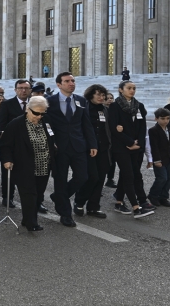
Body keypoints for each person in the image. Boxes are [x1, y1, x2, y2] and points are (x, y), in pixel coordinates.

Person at [46, 72, 97, 227]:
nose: (71, 83)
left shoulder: (81, 100)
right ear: (59, 84)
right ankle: (65, 214)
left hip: (78, 145)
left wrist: (92, 144)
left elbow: (86, 124)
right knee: (60, 180)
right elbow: (47, 125)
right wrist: (51, 143)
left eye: (73, 81)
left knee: (82, 177)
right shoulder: (49, 101)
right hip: (59, 147)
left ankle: (60, 197)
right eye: (67, 81)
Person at [0, 96, 56, 231]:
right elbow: (5, 145)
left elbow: (52, 136)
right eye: (36, 113)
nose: (40, 116)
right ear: (27, 109)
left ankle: (27, 219)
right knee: (29, 195)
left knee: (39, 195)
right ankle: (32, 223)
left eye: (43, 113)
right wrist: (7, 160)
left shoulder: (46, 121)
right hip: (24, 166)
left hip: (43, 165)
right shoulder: (16, 124)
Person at [108, 80, 154, 218]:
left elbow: (142, 127)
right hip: (121, 146)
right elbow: (113, 128)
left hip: (136, 147)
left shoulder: (139, 106)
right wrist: (129, 142)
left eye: (134, 88)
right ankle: (136, 208)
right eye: (129, 88)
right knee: (128, 174)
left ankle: (119, 202)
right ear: (121, 89)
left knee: (127, 174)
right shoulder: (115, 106)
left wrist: (138, 143)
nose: (132, 90)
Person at [73, 85, 111, 218]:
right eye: (98, 95)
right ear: (90, 95)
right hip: (88, 149)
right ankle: (79, 201)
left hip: (104, 149)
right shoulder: (84, 109)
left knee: (100, 179)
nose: (102, 97)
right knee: (91, 177)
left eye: (103, 95)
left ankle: (94, 207)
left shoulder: (105, 110)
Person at [0, 79, 32, 208]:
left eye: (26, 88)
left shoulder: (34, 104)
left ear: (30, 90)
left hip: (30, 145)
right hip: (12, 145)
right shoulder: (7, 104)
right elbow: (2, 126)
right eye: (20, 88)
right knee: (8, 173)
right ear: (15, 90)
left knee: (29, 174)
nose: (23, 90)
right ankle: (7, 197)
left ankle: (34, 201)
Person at [147, 108, 170, 207]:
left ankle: (163, 197)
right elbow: (154, 147)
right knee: (162, 178)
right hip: (160, 159)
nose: (165, 121)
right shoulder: (153, 131)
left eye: (167, 118)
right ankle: (153, 195)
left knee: (169, 179)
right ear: (156, 119)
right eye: (162, 118)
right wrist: (156, 160)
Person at [104, 92, 118, 188]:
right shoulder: (101, 110)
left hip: (114, 139)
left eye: (111, 98)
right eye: (107, 98)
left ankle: (110, 179)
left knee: (113, 160)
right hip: (104, 138)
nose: (110, 100)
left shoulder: (115, 110)